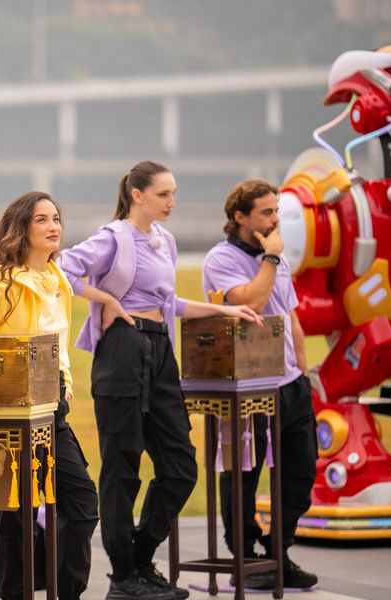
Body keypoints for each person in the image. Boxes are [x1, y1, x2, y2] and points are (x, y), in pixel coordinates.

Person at [59, 161, 262, 600]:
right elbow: (61, 267)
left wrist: (223, 310)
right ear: (137, 195)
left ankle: (138, 556)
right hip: (122, 349)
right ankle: (124, 575)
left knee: (181, 465)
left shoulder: (164, 240)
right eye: (163, 194)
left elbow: (169, 303)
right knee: (122, 467)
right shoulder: (114, 237)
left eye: (174, 194)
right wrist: (106, 298)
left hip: (160, 350)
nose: (171, 202)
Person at [0, 191, 100, 600]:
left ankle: (66, 592)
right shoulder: (2, 285)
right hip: (9, 410)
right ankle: (14, 593)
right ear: (21, 228)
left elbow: (57, 343)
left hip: (52, 406)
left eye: (56, 218)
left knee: (81, 503)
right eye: (42, 219)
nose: (53, 226)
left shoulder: (56, 278)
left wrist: (65, 382)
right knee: (15, 514)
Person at [201, 179, 318, 590]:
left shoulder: (277, 257)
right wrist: (270, 257)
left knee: (301, 473)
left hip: (290, 383)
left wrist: (304, 373)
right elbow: (251, 302)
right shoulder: (221, 259)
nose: (275, 220)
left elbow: (291, 315)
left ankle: (278, 551)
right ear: (240, 217)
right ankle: (246, 555)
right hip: (247, 385)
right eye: (266, 212)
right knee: (243, 475)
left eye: (276, 211)